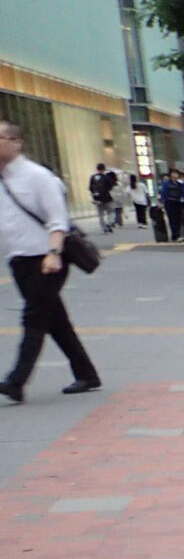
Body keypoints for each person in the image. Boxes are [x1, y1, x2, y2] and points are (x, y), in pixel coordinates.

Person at [0, 121, 102, 404]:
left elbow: (58, 220)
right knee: (55, 320)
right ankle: (87, 374)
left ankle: (16, 381)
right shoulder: (2, 179)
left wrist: (54, 253)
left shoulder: (38, 177)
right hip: (19, 259)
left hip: (46, 259)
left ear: (16, 142)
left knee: (34, 318)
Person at [89, 164, 119, 233]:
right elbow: (110, 187)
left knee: (100, 214)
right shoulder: (106, 177)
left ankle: (104, 228)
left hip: (97, 199)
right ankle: (109, 223)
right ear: (104, 169)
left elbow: (90, 188)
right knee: (111, 212)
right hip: (107, 198)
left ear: (97, 169)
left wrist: (95, 195)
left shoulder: (92, 177)